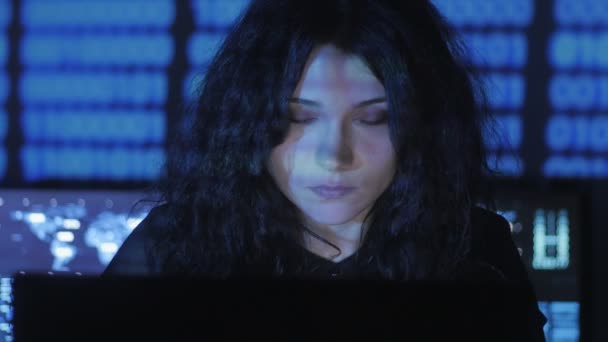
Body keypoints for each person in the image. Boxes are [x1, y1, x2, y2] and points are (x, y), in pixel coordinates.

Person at [103, 0, 546, 339]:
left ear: (424, 128)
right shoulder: (173, 249)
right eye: (299, 117)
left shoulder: (474, 252)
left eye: (374, 118)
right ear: (247, 123)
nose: (335, 156)